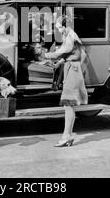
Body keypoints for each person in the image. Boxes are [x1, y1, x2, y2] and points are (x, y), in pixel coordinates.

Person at [43, 15, 88, 147]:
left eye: (59, 28)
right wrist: (59, 63)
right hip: (72, 69)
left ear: (65, 26)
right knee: (69, 105)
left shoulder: (70, 36)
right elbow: (71, 53)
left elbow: (63, 51)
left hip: (73, 70)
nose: (59, 31)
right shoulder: (70, 36)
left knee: (68, 104)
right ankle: (67, 136)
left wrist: (45, 55)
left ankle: (66, 136)